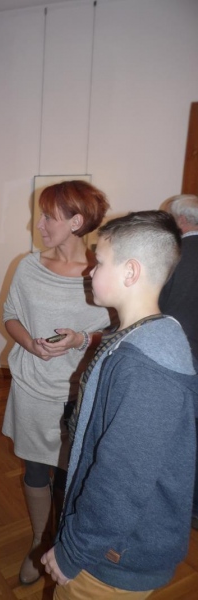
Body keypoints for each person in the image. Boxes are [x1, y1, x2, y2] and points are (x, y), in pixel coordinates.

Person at [41, 211, 198, 599]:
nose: (90, 271)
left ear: (130, 272)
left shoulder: (146, 366)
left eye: (100, 263)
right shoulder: (147, 333)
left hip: (110, 560)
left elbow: (121, 480)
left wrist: (72, 551)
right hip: (113, 545)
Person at [2, 180, 113, 585]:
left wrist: (80, 339)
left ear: (77, 222)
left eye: (49, 216)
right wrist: (29, 343)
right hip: (32, 388)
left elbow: (120, 333)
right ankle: (39, 540)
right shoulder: (28, 266)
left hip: (78, 396)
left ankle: (63, 544)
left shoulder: (103, 272)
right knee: (34, 469)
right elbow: (10, 314)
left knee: (72, 476)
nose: (39, 224)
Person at [158, 194, 198, 530]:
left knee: (175, 434)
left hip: (178, 358)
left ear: (181, 221)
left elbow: (156, 308)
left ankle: (175, 504)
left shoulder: (174, 256)